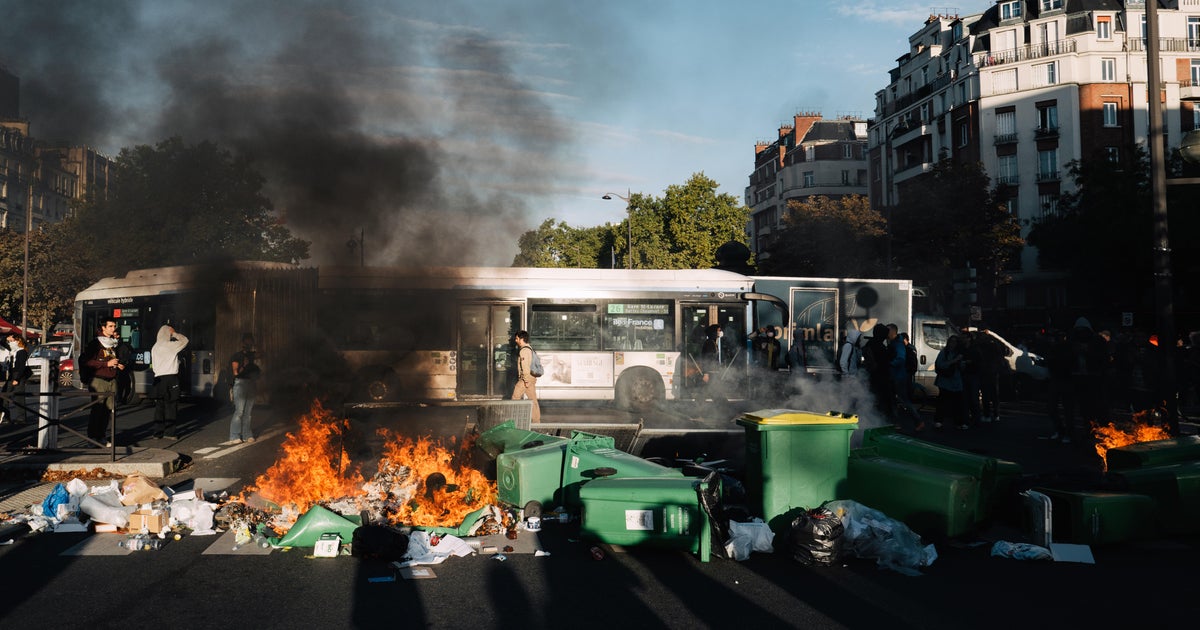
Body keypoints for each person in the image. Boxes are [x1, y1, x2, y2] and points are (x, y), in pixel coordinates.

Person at [81, 318, 123, 447]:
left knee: (108, 410)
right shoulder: (95, 343)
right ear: (103, 328)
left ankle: (101, 436)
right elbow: (87, 361)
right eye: (110, 326)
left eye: (114, 326)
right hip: (98, 380)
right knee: (97, 410)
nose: (113, 328)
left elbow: (111, 359)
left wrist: (117, 365)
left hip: (112, 379)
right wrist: (106, 364)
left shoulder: (113, 343)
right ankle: (92, 438)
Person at [150, 324, 188, 439]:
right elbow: (185, 340)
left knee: (159, 407)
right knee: (171, 406)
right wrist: (174, 333)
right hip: (171, 378)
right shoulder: (170, 345)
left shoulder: (155, 347)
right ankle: (169, 433)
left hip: (158, 378)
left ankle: (157, 432)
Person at [888, 325, 923, 431]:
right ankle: (897, 422)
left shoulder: (897, 344)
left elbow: (900, 359)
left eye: (887, 330)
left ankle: (917, 421)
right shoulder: (896, 342)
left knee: (902, 400)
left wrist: (889, 364)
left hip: (898, 376)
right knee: (896, 400)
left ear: (892, 332)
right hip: (898, 376)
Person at [229, 333, 261, 443]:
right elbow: (235, 372)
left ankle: (247, 435)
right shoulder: (237, 356)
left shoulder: (252, 355)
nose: (249, 344)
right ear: (243, 343)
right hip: (240, 383)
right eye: (247, 342)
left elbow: (263, 354)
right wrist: (245, 365)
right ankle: (234, 436)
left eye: (250, 342)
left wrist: (255, 347)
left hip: (251, 383)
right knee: (239, 411)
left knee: (248, 413)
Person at [862, 323, 894, 422]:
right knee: (883, 401)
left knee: (873, 401)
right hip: (880, 378)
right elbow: (885, 361)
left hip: (872, 376)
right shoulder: (880, 347)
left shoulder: (869, 344)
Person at [934, 335, 966, 430]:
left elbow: (962, 368)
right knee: (943, 402)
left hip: (955, 380)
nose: (953, 344)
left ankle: (957, 422)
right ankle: (939, 420)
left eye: (955, 342)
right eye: (952, 342)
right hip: (946, 381)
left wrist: (962, 363)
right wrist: (954, 361)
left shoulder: (957, 353)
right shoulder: (944, 352)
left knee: (956, 403)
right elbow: (940, 364)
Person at [511, 330, 540, 423]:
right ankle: (536, 422)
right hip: (531, 378)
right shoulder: (529, 348)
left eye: (517, 338)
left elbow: (525, 367)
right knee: (533, 401)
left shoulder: (524, 350)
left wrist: (526, 380)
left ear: (521, 339)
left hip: (525, 379)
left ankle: (514, 421)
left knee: (515, 398)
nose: (516, 340)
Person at [2, 331, 29, 425]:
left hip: (19, 375)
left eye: (12, 340)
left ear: (18, 341)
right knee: (4, 394)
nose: (10, 343)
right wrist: (7, 337)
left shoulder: (22, 351)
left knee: (19, 397)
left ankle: (21, 418)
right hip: (12, 375)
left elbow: (22, 367)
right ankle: (6, 417)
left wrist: (17, 379)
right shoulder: (13, 351)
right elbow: (3, 342)